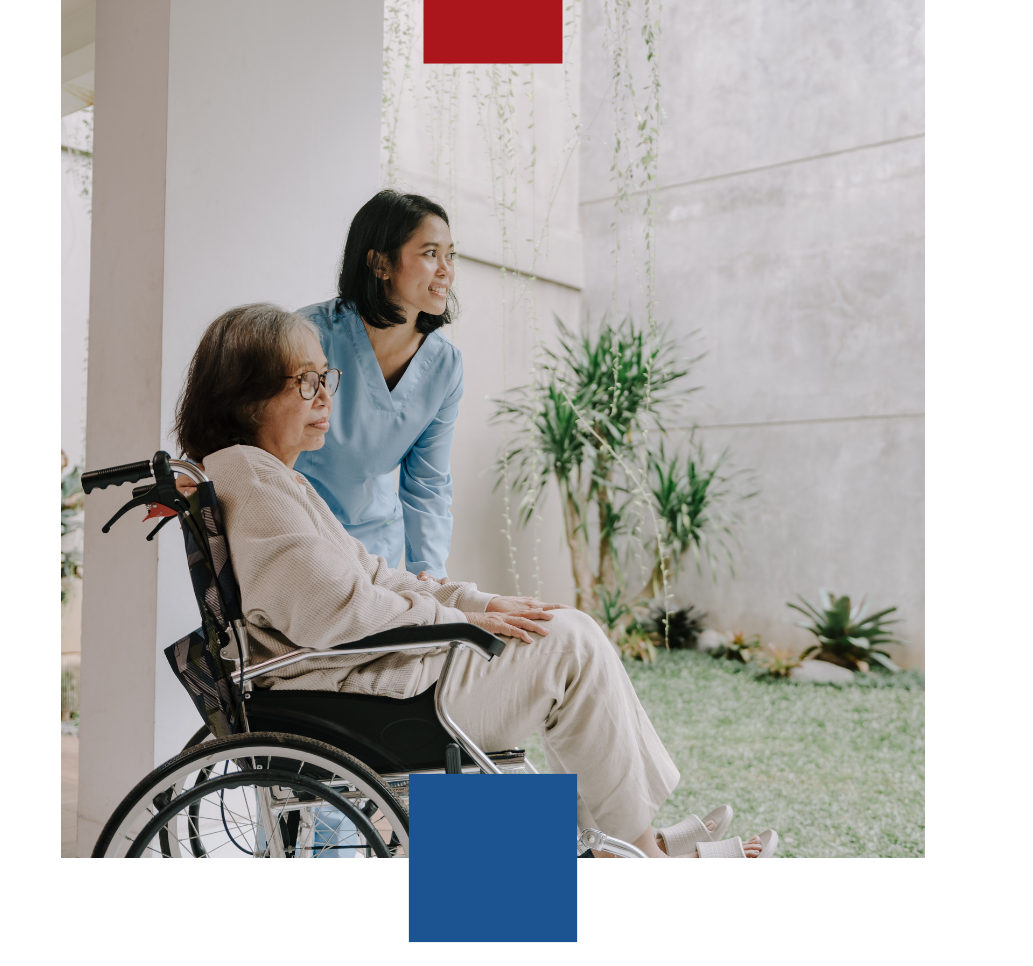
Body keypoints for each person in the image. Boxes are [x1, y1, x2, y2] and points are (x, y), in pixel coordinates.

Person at [173, 303, 777, 858]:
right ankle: (638, 849)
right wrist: (460, 622)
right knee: (570, 643)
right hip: (353, 692)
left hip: (357, 679)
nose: (324, 396)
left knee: (559, 631)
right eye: (304, 382)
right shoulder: (252, 479)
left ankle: (622, 845)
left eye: (324, 378)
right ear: (246, 396)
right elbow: (336, 609)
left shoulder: (268, 477)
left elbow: (376, 576)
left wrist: (479, 601)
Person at [295, 191, 462, 584]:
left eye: (450, 255)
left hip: (376, 553)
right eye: (430, 253)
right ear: (380, 263)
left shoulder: (445, 366)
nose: (446, 270)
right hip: (299, 533)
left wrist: (430, 574)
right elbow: (254, 438)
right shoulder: (307, 335)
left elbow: (428, 481)